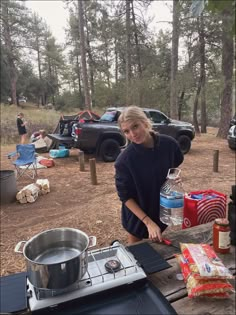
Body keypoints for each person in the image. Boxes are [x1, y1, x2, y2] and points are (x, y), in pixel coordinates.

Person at [114, 106, 184, 244]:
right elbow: (125, 196)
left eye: (135, 126)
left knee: (159, 250)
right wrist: (148, 222)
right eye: (126, 131)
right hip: (137, 216)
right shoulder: (125, 160)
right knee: (136, 254)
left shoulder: (169, 145)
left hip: (160, 208)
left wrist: (175, 179)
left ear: (145, 122)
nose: (132, 134)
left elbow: (173, 167)